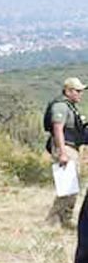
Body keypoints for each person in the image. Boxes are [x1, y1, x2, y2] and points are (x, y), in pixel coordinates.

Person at [46, 77, 87, 228]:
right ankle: (53, 220)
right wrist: (62, 152)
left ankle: (64, 219)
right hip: (66, 148)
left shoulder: (70, 107)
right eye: (77, 91)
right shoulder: (61, 107)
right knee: (66, 187)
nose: (80, 94)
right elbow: (58, 129)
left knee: (72, 187)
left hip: (72, 148)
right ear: (68, 91)